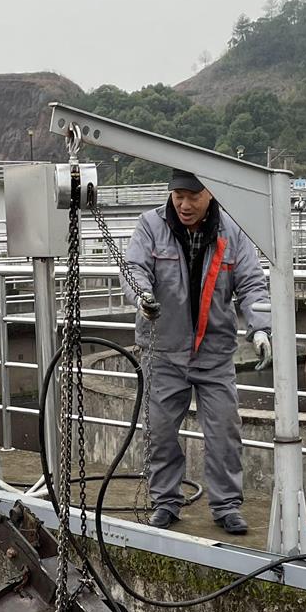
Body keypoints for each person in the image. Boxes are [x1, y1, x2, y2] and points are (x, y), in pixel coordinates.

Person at [122, 169, 273, 536]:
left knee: (224, 430)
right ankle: (166, 501)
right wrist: (142, 298)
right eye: (178, 196)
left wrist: (262, 329)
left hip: (214, 352)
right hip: (163, 350)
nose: (185, 204)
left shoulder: (231, 231)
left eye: (193, 196)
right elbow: (133, 269)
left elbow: (252, 284)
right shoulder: (149, 226)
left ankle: (226, 506)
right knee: (159, 431)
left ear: (211, 193)